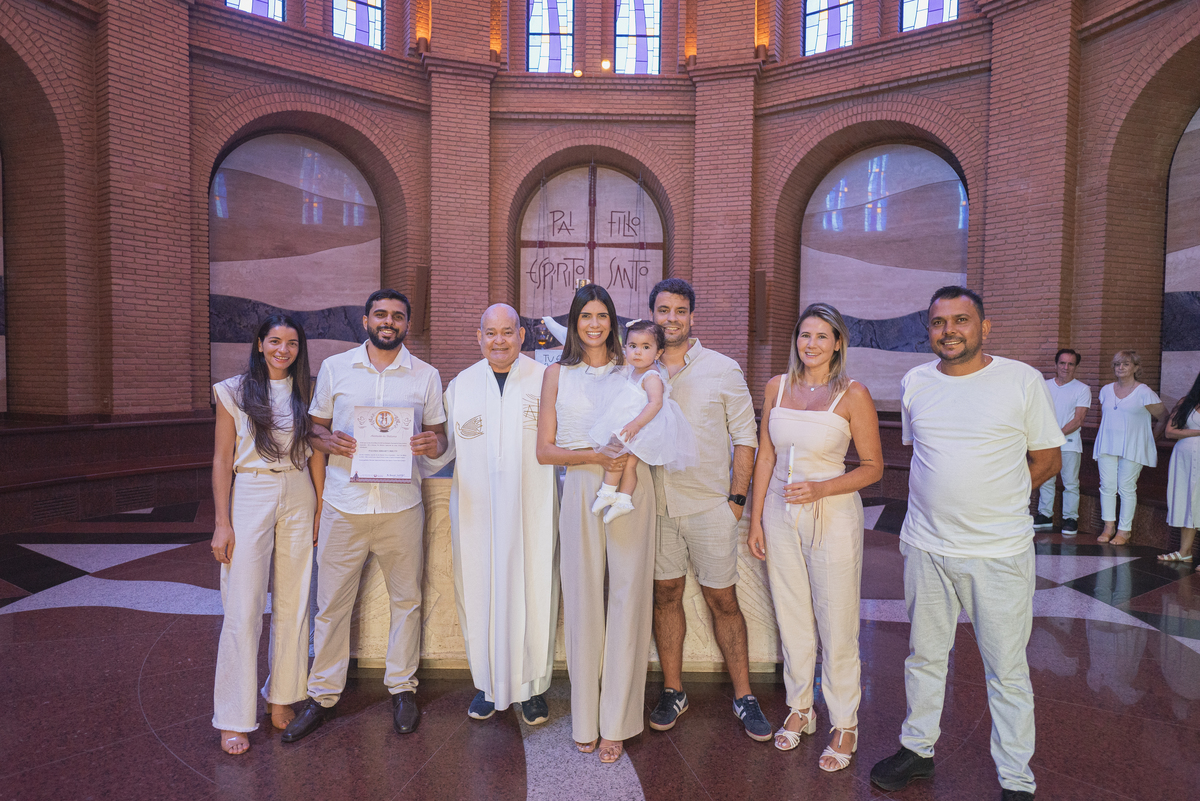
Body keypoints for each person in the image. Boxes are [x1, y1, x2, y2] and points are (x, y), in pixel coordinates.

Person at [870, 286, 1064, 801]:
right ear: (928, 329)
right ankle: (918, 749)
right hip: (926, 547)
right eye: (938, 322)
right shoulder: (916, 382)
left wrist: (996, 506)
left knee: (1006, 669)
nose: (949, 331)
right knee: (925, 656)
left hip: (997, 552)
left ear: (985, 327)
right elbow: (925, 456)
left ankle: (1016, 779)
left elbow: (1047, 459)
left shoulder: (1020, 380)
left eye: (961, 320)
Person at [282, 289, 447, 743]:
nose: (388, 321)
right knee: (331, 604)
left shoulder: (426, 376)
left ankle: (402, 687)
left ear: (406, 324)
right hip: (343, 504)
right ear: (365, 320)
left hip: (401, 508)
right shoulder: (336, 368)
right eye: (381, 314)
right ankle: (322, 695)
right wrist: (326, 441)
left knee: (406, 601)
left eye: (397, 316)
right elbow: (312, 428)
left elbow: (439, 437)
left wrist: (433, 444)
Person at [746, 303, 883, 771]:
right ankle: (800, 708)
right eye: (805, 335)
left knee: (836, 621)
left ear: (838, 343)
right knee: (791, 615)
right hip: (779, 515)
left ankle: (844, 723)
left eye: (822, 337)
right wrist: (755, 519)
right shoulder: (776, 387)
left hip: (833, 514)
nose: (811, 345)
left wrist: (822, 487)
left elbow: (873, 467)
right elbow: (765, 455)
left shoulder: (853, 393)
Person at [646, 278, 770, 742]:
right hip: (656, 510)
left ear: (692, 317)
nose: (671, 319)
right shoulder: (638, 366)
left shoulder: (722, 369)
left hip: (709, 509)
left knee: (723, 600)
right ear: (652, 314)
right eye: (663, 310)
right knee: (665, 597)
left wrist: (736, 503)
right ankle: (674, 690)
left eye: (679, 311)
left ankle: (744, 695)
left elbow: (745, 437)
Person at [536, 283, 654, 765]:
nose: (594, 324)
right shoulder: (556, 374)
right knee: (582, 598)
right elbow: (545, 450)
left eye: (602, 315)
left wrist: (617, 458)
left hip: (631, 485)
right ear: (574, 321)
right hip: (581, 485)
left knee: (629, 598)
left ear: (614, 322)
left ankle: (619, 721)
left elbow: (655, 418)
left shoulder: (633, 371)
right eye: (586, 315)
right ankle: (585, 717)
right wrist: (594, 454)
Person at [210, 315, 325, 755]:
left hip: (297, 491)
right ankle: (234, 716)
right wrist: (223, 521)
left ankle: (282, 696)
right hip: (252, 492)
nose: (283, 350)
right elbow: (222, 460)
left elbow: (314, 449)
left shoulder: (304, 391)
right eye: (275, 341)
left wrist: (318, 505)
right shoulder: (233, 391)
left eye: (292, 343)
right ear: (259, 344)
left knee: (295, 601)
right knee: (243, 604)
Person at [440, 304, 559, 724]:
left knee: (535, 588)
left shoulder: (547, 379)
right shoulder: (461, 386)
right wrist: (423, 446)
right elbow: (445, 448)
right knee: (479, 588)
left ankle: (532, 689)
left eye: (507, 332)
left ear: (521, 336)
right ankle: (488, 685)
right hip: (478, 514)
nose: (499, 341)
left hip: (533, 507)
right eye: (490, 333)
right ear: (479, 337)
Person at [589, 321, 696, 523]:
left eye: (646, 347)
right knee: (628, 463)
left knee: (619, 457)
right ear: (625, 347)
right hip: (631, 422)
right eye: (633, 346)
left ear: (657, 353)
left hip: (642, 426)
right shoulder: (633, 371)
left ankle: (608, 491)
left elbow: (655, 404)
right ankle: (624, 500)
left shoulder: (651, 376)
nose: (638, 352)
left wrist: (635, 425)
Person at [1093, 350, 1168, 546]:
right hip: (1108, 443)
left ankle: (1124, 531)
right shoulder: (1106, 390)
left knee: (1126, 487)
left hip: (1133, 446)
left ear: (1135, 367)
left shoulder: (1144, 391)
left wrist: (1150, 440)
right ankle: (1108, 526)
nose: (1120, 367)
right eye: (1117, 364)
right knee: (1107, 486)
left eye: (1126, 364)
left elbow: (1163, 417)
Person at [1033, 349, 1091, 536]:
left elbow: (1078, 420)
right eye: (1062, 363)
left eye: (1070, 364)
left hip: (1069, 443)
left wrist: (1055, 436)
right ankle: (1045, 515)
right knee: (1046, 480)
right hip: (1046, 443)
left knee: (1070, 483)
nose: (1066, 367)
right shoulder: (1044, 385)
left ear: (1075, 367)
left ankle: (1070, 518)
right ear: (1056, 365)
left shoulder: (1082, 389)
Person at [1160, 371, 1200, 564]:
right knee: (1187, 503)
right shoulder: (1186, 402)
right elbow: (1169, 431)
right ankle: (1185, 552)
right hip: (1183, 461)